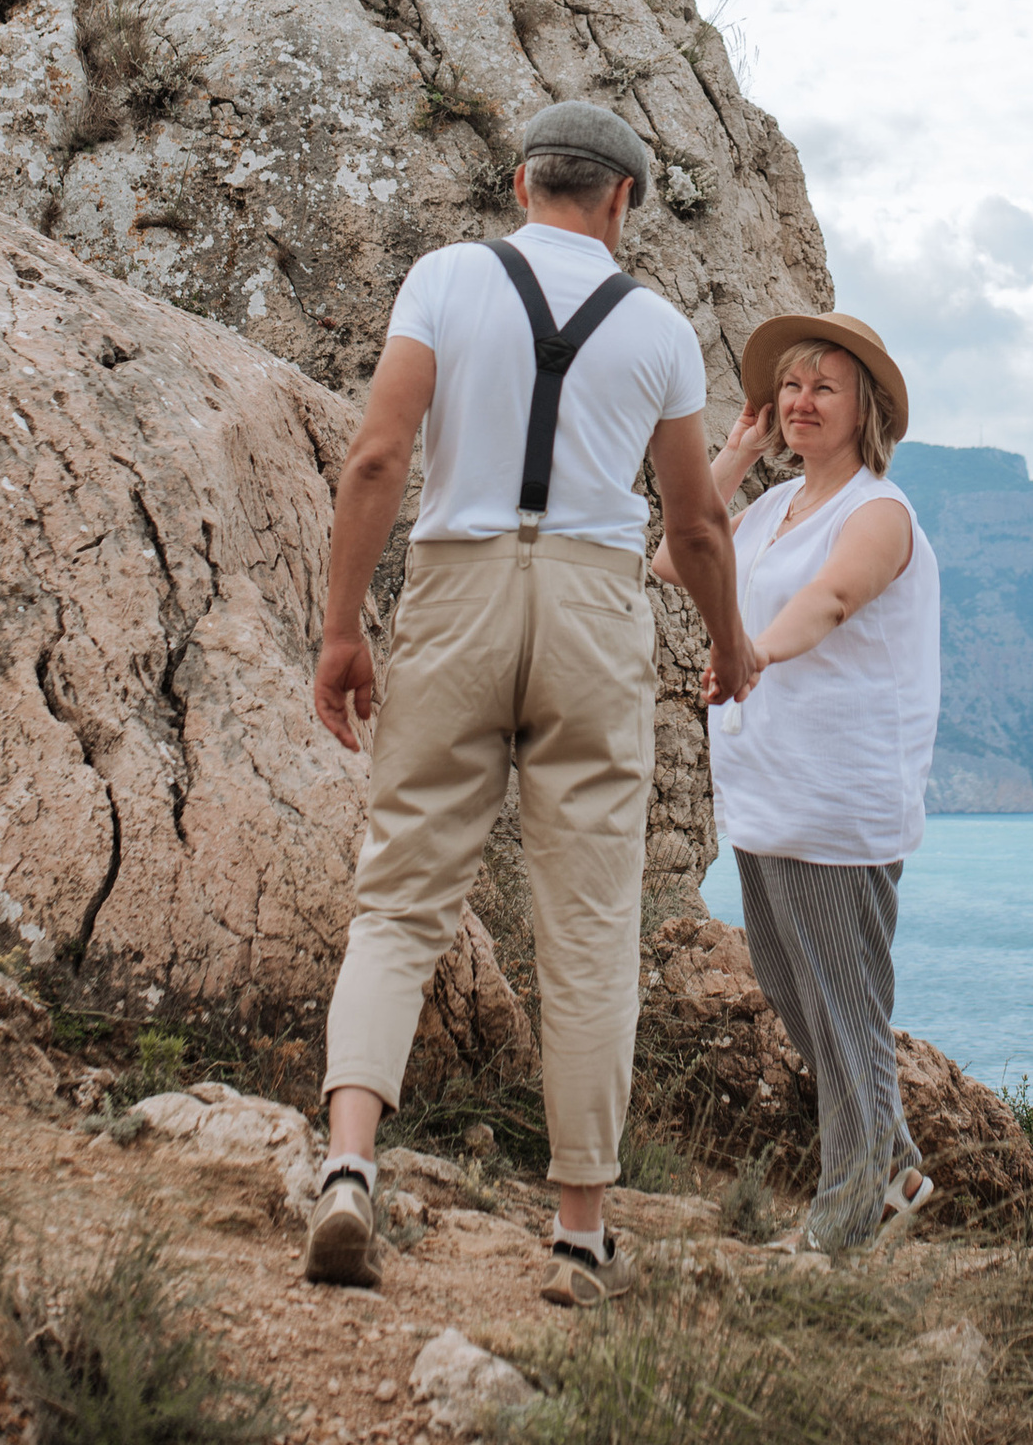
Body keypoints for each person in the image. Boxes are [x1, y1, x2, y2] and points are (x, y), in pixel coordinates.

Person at [305, 101, 756, 1304]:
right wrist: (729, 647)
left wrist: (343, 627)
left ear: (520, 183)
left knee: (401, 895)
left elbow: (377, 458)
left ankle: (347, 1168)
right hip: (591, 612)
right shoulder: (657, 328)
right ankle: (577, 1235)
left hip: (457, 589)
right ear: (622, 199)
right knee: (591, 923)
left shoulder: (446, 280)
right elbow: (696, 523)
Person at [656, 310, 942, 1255]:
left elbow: (833, 598)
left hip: (837, 802)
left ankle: (844, 1225)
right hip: (766, 793)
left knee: (844, 1007)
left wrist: (753, 651)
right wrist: (737, 451)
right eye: (790, 385)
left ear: (866, 410)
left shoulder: (878, 514)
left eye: (825, 386)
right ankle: (895, 1169)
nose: (801, 400)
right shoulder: (775, 507)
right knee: (794, 990)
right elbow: (673, 557)